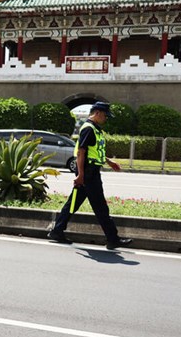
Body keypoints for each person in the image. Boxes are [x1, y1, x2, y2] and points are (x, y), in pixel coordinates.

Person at [48, 101, 133, 249]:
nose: (106, 119)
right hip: (88, 172)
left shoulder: (95, 129)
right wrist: (80, 175)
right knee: (100, 207)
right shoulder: (88, 129)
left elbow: (93, 150)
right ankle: (113, 239)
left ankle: (57, 230)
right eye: (105, 115)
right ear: (98, 113)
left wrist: (108, 161)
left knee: (73, 203)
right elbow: (81, 152)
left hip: (90, 171)